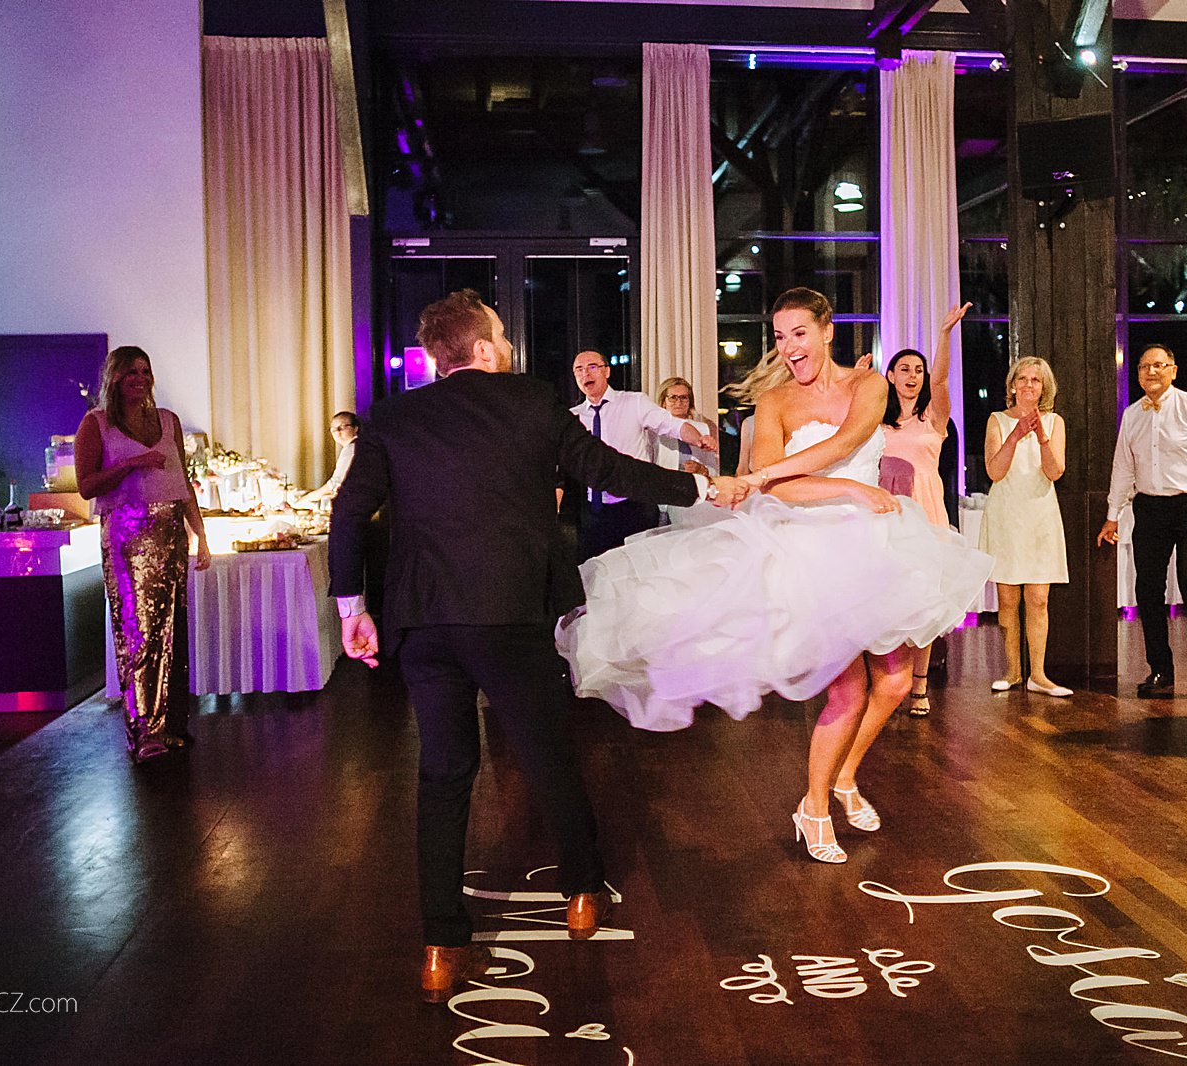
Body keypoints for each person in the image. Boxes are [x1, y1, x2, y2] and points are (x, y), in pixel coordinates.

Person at [329, 290, 748, 1003]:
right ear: (486, 349)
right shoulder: (527, 401)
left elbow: (348, 510)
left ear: (441, 357)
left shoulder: (396, 416)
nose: (509, 347)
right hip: (507, 616)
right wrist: (704, 485)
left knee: (443, 774)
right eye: (500, 335)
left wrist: (350, 609)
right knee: (548, 756)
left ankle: (439, 945)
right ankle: (582, 894)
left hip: (425, 623)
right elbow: (610, 470)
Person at [557, 288, 991, 865]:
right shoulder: (774, 404)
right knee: (849, 688)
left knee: (895, 681)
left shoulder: (869, 386)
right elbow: (783, 484)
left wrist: (769, 478)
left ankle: (845, 777)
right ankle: (813, 805)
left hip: (878, 544)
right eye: (780, 337)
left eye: (799, 334)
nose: (789, 349)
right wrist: (839, 487)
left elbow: (843, 443)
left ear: (827, 330)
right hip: (809, 550)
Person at [75, 345, 211, 765]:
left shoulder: (167, 420)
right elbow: (86, 486)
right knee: (140, 630)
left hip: (170, 530)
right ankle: (143, 728)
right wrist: (132, 464)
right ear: (114, 377)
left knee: (173, 628)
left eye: (145, 370)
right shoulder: (95, 423)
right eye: (131, 371)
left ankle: (172, 724)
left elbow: (182, 482)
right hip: (127, 533)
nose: (140, 377)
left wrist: (200, 535)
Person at [1096, 344, 1187, 706]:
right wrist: (1113, 515)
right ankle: (1160, 669)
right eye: (1145, 367)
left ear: (1173, 370)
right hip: (1149, 508)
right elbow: (1123, 469)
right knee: (1147, 590)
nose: (1151, 372)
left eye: (1159, 366)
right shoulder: (1132, 415)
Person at [880, 302, 969, 716]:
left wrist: (945, 334)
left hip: (927, 511)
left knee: (925, 604)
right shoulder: (877, 425)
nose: (913, 376)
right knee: (890, 600)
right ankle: (888, 681)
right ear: (891, 377)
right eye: (905, 369)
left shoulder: (934, 418)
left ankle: (919, 686)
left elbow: (942, 376)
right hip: (889, 515)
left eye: (917, 370)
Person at [979, 356, 1071, 697]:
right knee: (1007, 598)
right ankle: (1013, 671)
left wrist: (1042, 438)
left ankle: (1039, 674)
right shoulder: (996, 420)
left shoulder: (1055, 422)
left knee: (1038, 599)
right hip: (1006, 513)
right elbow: (994, 471)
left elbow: (1055, 472)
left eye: (1036, 379)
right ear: (1012, 384)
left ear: (1044, 386)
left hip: (1040, 514)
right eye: (1023, 378)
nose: (1029, 385)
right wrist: (1016, 435)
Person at [570, 350, 717, 559]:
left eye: (593, 367)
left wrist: (699, 439)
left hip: (635, 505)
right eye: (579, 369)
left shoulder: (633, 402)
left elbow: (672, 425)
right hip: (593, 510)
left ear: (607, 371)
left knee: (639, 573)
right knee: (595, 577)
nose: (586, 374)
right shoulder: (573, 416)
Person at [652, 377, 716, 476]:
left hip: (695, 486)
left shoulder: (703, 429)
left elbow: (715, 471)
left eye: (684, 397)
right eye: (673, 397)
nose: (678, 402)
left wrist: (702, 470)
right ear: (663, 402)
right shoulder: (654, 429)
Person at [299, 411, 360, 506]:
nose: (337, 433)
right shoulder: (352, 447)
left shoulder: (352, 448)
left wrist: (307, 498)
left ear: (355, 428)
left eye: (342, 428)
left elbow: (335, 483)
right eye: (333, 430)